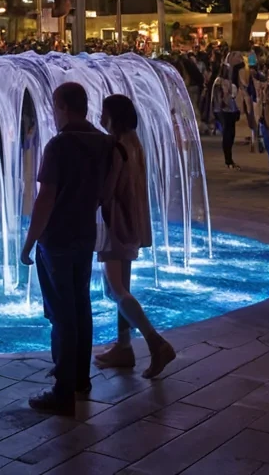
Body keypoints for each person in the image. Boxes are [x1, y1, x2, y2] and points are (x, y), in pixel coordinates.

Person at [21, 81, 112, 416]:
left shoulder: (59, 146)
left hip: (56, 238)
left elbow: (45, 199)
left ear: (61, 105)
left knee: (61, 314)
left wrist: (29, 242)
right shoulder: (103, 143)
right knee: (80, 306)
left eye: (55, 106)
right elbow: (106, 191)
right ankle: (80, 378)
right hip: (84, 234)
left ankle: (62, 391)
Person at [93, 94, 176, 379]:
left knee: (114, 290)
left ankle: (156, 342)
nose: (100, 119)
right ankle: (124, 348)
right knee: (122, 287)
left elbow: (106, 191)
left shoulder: (117, 148)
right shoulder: (135, 144)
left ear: (114, 116)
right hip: (132, 222)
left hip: (114, 224)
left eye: (104, 113)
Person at [210, 66, 242, 169]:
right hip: (226, 111)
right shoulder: (222, 82)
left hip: (224, 110)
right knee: (228, 134)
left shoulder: (219, 81)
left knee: (229, 134)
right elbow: (223, 98)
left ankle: (229, 159)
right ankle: (228, 159)